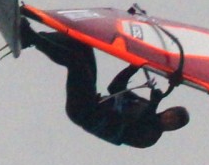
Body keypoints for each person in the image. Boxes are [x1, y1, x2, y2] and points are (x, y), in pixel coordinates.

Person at [20, 18, 189, 148]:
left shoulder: (150, 137)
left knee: (76, 63)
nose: (169, 120)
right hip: (92, 101)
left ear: (171, 129)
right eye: (172, 115)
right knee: (83, 45)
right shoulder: (143, 104)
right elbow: (115, 88)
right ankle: (37, 37)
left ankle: (30, 38)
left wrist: (154, 103)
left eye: (174, 123)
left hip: (85, 113)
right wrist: (134, 66)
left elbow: (136, 125)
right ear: (169, 110)